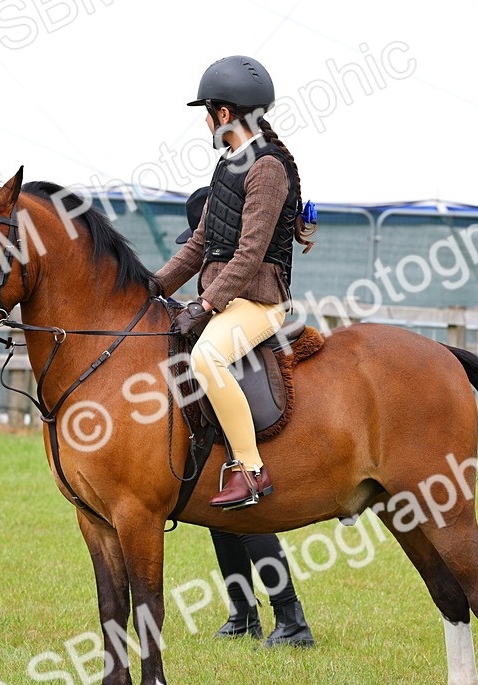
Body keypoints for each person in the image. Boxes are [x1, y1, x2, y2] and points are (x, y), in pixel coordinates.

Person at [152, 54, 316, 510]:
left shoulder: (268, 168)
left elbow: (249, 254)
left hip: (259, 303)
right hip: (228, 300)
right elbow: (200, 244)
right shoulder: (229, 165)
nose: (205, 122)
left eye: (207, 113)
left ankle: (251, 469)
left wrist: (204, 304)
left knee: (207, 357)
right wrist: (155, 286)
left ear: (223, 113)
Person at [172, 185, 314, 647]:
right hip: (227, 313)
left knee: (248, 515)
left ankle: (290, 617)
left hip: (245, 318)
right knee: (220, 510)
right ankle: (242, 613)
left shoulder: (244, 263)